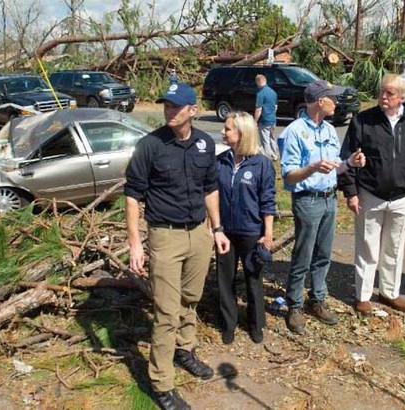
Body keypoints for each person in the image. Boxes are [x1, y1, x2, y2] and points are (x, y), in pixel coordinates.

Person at [124, 83, 230, 410]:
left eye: (175, 106)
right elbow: (132, 197)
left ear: (192, 110)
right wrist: (135, 245)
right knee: (166, 312)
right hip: (165, 236)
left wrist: (217, 229)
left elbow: (210, 187)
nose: (169, 111)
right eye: (166, 106)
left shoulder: (203, 143)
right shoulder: (150, 146)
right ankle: (161, 383)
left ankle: (185, 348)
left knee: (191, 298)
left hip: (198, 233)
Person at [338, 74, 405, 315]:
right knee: (367, 247)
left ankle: (389, 292)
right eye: (382, 91)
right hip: (370, 194)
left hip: (402, 197)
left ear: (403, 96)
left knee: (394, 247)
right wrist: (351, 192)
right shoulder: (363, 121)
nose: (383, 96)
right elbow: (347, 157)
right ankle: (363, 296)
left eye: (389, 93)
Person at [280, 79, 366, 334]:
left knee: (323, 254)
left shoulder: (329, 129)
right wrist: (312, 168)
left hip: (330, 199)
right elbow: (288, 175)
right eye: (333, 98)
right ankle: (294, 304)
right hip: (307, 200)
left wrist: (350, 163)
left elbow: (335, 166)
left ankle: (317, 299)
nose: (336, 102)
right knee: (303, 255)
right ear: (320, 101)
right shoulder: (294, 132)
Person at [216, 111, 276, 345]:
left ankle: (256, 324)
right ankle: (228, 324)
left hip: (251, 231)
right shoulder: (220, 161)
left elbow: (268, 200)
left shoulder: (261, 164)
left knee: (253, 278)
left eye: (228, 128)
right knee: (225, 279)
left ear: (242, 134)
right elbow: (211, 195)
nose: (223, 131)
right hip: (225, 232)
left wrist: (267, 233)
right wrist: (214, 227)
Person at [254, 74, 279, 161]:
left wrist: (255, 121)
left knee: (265, 140)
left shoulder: (260, 94)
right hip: (273, 119)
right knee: (272, 138)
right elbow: (276, 106)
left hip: (264, 120)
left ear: (258, 82)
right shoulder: (273, 92)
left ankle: (268, 157)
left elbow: (258, 109)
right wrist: (272, 114)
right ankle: (275, 154)